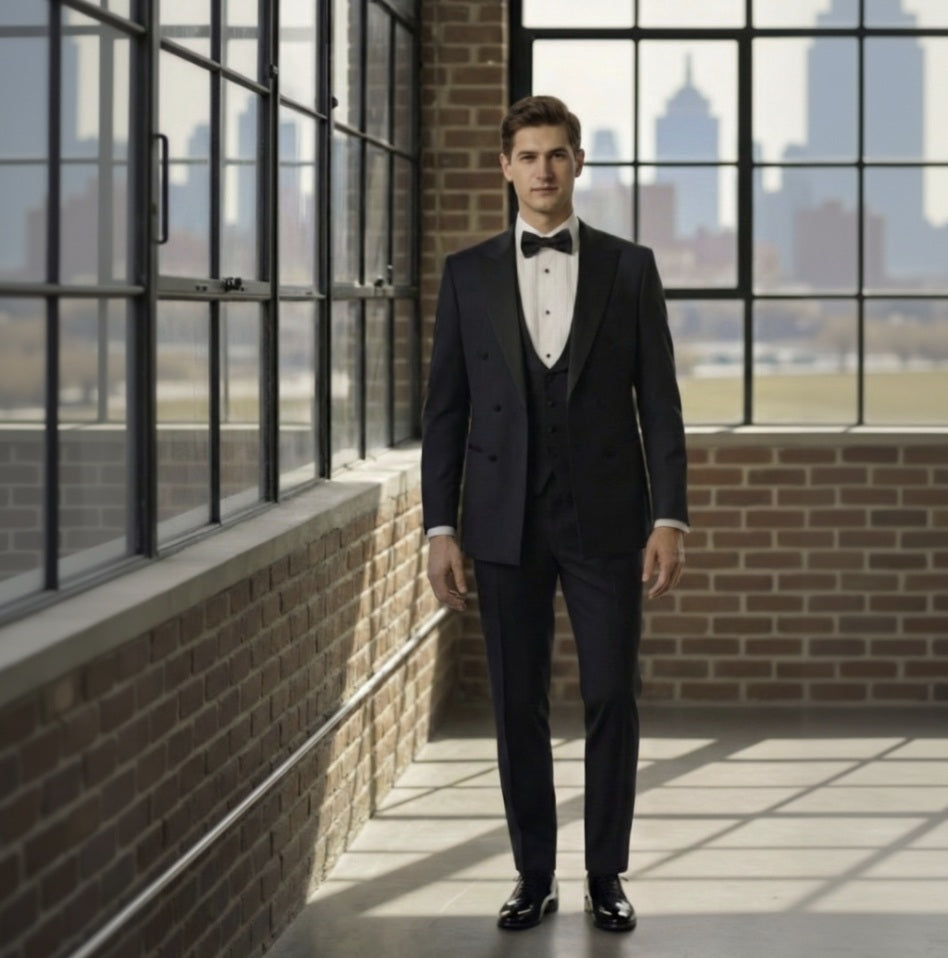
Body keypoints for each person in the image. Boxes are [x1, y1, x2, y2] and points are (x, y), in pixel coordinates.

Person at [421, 94, 689, 933]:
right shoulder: (465, 274)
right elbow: (446, 413)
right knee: (517, 703)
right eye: (527, 156)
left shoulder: (630, 267)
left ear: (579, 164)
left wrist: (670, 517)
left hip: (609, 515)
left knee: (612, 693)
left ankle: (605, 873)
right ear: (505, 168)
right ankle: (533, 874)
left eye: (557, 154)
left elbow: (662, 405)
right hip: (502, 522)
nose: (542, 170)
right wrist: (440, 528)